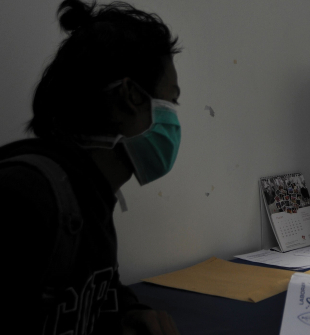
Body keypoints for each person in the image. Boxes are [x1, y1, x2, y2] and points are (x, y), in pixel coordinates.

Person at [1, 1, 182, 334]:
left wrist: (126, 312)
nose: (174, 117)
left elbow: (91, 288)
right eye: (171, 100)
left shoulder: (88, 192)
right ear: (131, 96)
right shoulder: (25, 198)